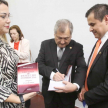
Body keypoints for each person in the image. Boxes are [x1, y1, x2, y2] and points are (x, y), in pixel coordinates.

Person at [55, 4, 108, 108]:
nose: (90, 29)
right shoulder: (99, 42)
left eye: (93, 24)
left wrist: (86, 95)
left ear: (106, 19)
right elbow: (93, 70)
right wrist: (84, 86)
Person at [37, 19, 87, 108]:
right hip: (49, 94)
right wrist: (52, 74)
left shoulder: (77, 47)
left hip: (67, 96)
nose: (62, 42)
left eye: (66, 38)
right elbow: (38, 64)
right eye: (59, 38)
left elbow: (81, 68)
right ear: (54, 34)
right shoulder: (45, 45)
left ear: (71, 35)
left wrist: (75, 86)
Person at [0, 0, 36, 108]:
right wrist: (19, 99)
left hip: (15, 97)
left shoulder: (4, 42)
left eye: (9, 16)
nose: (9, 20)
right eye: (3, 16)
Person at [9, 25, 31, 108]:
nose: (12, 35)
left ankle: (27, 105)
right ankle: (18, 105)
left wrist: (14, 51)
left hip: (24, 68)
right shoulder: (10, 43)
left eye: (14, 33)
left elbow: (25, 55)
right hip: (14, 69)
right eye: (11, 34)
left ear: (19, 33)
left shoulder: (25, 41)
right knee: (16, 89)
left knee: (25, 90)